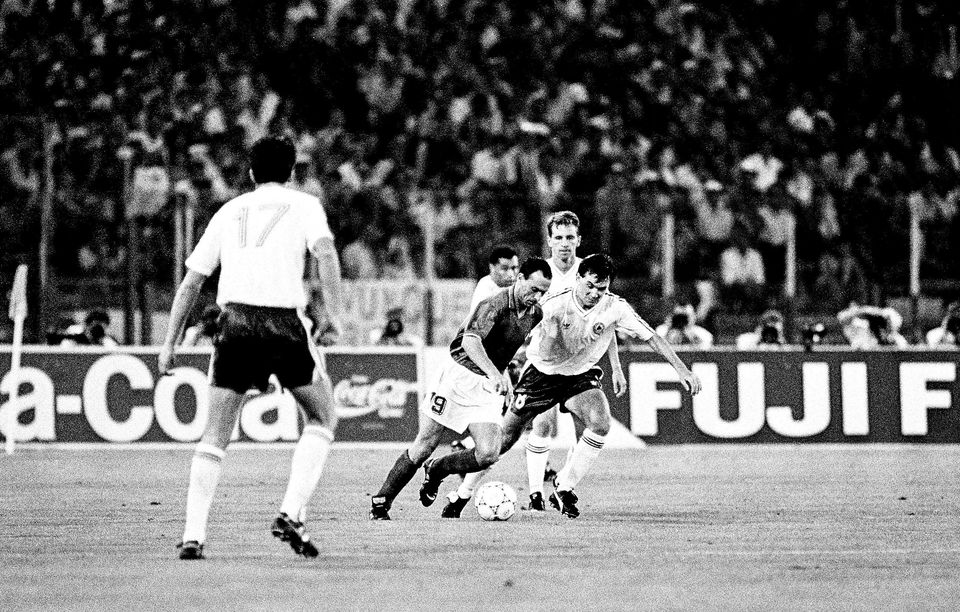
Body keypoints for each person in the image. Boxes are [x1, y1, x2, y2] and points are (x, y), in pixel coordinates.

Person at [158, 136, 344, 560]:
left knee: (215, 435)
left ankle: (193, 535)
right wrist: (334, 313)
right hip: (283, 322)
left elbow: (192, 282)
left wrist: (170, 342)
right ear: (293, 171)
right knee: (322, 416)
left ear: (250, 173)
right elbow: (327, 254)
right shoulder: (305, 204)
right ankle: (291, 511)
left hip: (235, 322)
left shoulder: (228, 211)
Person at [433, 254, 702, 518]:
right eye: (590, 286)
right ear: (578, 279)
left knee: (600, 422)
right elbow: (517, 332)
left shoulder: (615, 306)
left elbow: (650, 337)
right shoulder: (551, 303)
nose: (595, 293)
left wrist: (682, 370)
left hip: (578, 376)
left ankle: (564, 487)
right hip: (541, 374)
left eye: (602, 288)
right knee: (503, 440)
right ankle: (462, 494)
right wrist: (505, 368)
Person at [368, 257, 553, 520]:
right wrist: (494, 373)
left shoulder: (536, 314)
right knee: (425, 444)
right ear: (520, 278)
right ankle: (381, 502)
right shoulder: (493, 304)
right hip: (458, 377)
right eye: (534, 289)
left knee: (489, 452)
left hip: (487, 385)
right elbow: (470, 342)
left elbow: (504, 349)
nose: (537, 296)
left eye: (543, 292)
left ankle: (438, 470)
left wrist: (506, 378)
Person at [512, 211, 626, 514]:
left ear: (578, 240)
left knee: (591, 423)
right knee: (544, 424)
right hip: (545, 362)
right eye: (559, 238)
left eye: (570, 238)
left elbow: (608, 321)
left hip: (579, 365)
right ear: (550, 240)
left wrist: (615, 366)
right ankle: (536, 492)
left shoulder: (590, 272)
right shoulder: (542, 274)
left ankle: (563, 486)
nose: (564, 244)